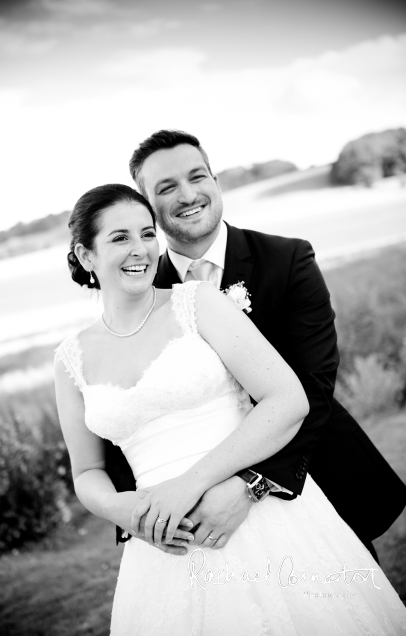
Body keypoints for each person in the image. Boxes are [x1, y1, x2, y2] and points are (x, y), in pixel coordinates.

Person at [53, 182, 406, 633]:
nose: (140, 249)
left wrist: (193, 484)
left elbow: (288, 399)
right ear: (86, 256)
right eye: (119, 238)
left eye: (147, 233)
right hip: (160, 541)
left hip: (261, 514)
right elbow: (87, 473)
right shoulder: (70, 359)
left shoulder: (198, 303)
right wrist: (122, 510)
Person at [103, 130, 406, 559]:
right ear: (146, 206)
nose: (188, 195)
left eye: (197, 176)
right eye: (166, 187)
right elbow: (129, 403)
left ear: (215, 179)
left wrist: (250, 484)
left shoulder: (287, 260)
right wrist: (140, 512)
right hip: (195, 513)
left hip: (308, 474)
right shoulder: (144, 292)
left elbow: (314, 389)